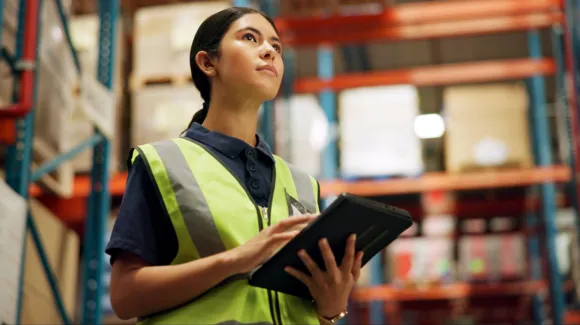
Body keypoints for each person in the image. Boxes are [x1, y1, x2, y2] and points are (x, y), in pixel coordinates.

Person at [106, 6, 364, 325]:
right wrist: (235, 260)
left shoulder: (302, 184)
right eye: (250, 38)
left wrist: (331, 308)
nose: (269, 50)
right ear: (207, 62)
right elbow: (124, 296)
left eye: (276, 46)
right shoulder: (162, 164)